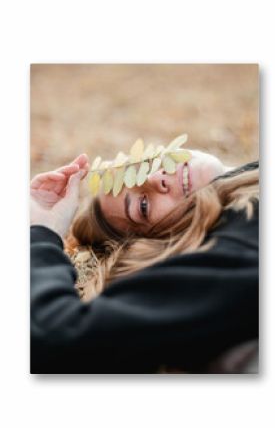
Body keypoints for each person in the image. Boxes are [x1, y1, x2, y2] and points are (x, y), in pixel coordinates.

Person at [30, 140, 259, 373]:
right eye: (143, 205)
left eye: (143, 164)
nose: (155, 177)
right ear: (160, 244)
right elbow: (54, 335)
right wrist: (42, 233)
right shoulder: (226, 258)